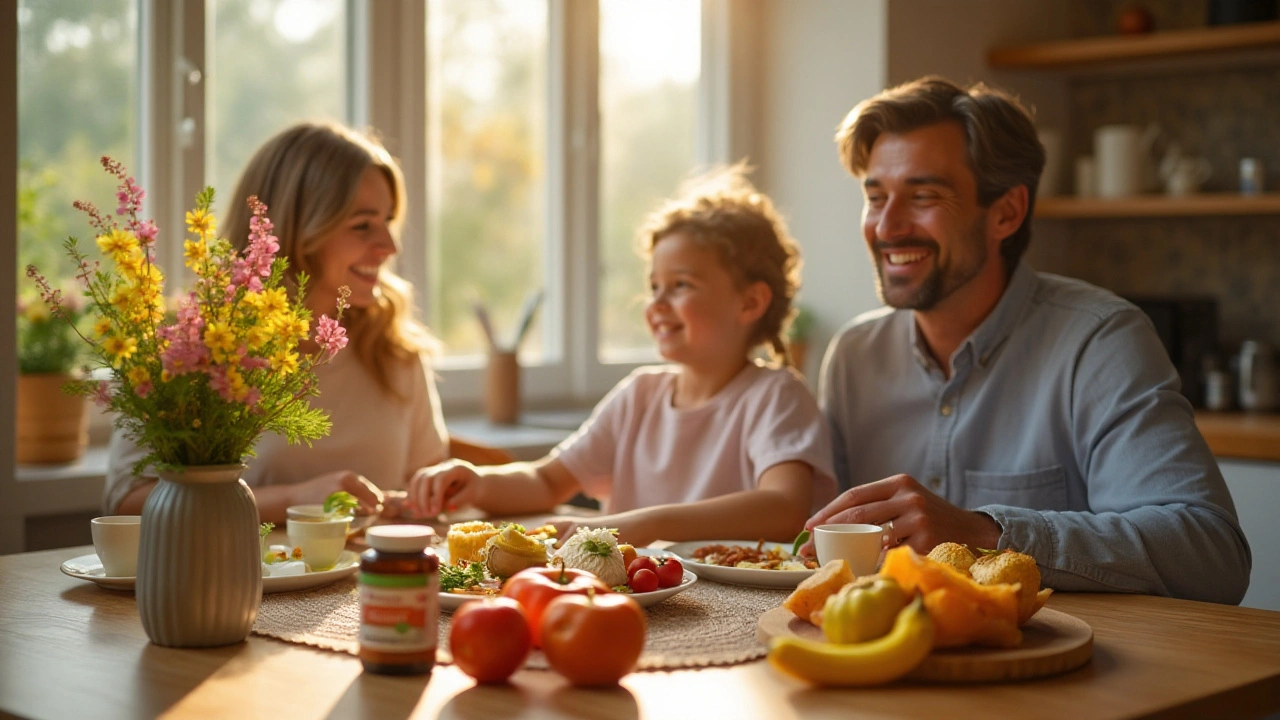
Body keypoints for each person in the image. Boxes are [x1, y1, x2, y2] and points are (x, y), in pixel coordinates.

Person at [805, 76, 1251, 604]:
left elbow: (1212, 556)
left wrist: (982, 534)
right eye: (875, 197)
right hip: (891, 666)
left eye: (923, 196)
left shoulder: (1100, 340)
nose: (887, 225)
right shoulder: (854, 357)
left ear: (1006, 213)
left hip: (1071, 673)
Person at [407, 165, 837, 547]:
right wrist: (477, 482)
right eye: (654, 286)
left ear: (749, 302)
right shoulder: (639, 394)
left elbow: (785, 508)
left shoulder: (776, 395)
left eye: (681, 285)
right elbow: (545, 481)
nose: (656, 303)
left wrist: (648, 523)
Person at [103, 121, 449, 524]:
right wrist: (296, 500)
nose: (390, 246)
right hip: (238, 581)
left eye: (388, 221)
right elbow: (128, 501)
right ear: (296, 230)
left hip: (368, 584)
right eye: (362, 225)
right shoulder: (190, 351)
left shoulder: (394, 348)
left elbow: (426, 490)